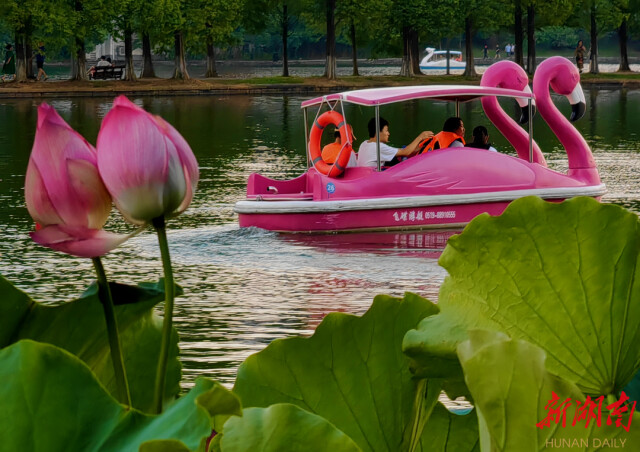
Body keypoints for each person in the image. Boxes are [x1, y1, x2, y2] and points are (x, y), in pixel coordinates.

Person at [357, 117, 433, 168]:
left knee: (396, 156)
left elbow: (403, 151)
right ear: (378, 132)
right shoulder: (378, 147)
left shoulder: (365, 143)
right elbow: (405, 152)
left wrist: (421, 146)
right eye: (386, 131)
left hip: (364, 175)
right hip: (372, 178)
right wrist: (420, 137)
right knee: (400, 160)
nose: (388, 133)